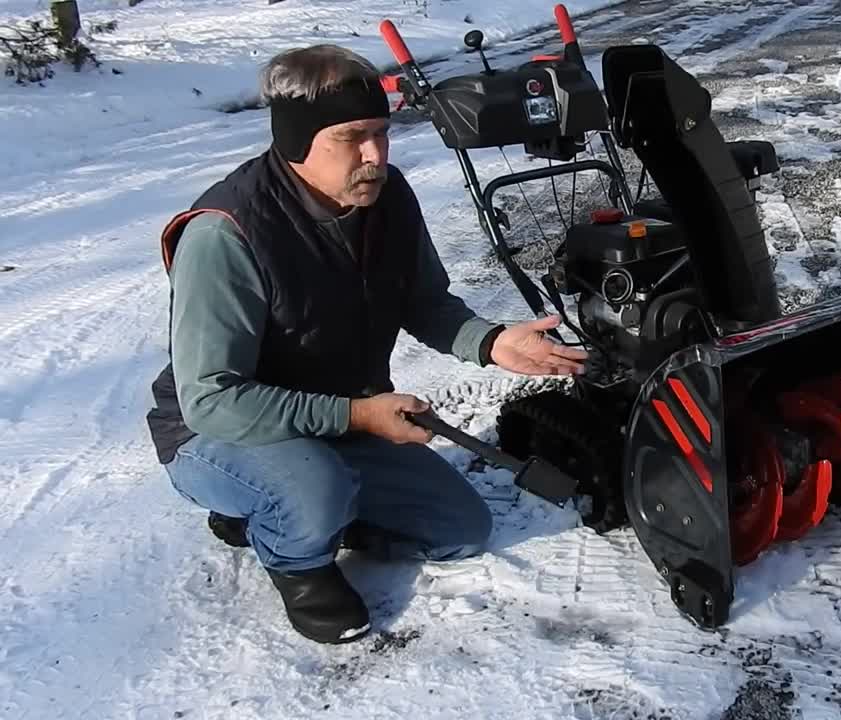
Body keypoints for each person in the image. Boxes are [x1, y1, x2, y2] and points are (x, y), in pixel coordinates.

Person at [143, 44, 587, 645]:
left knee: (460, 528)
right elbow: (211, 402)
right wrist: (358, 415)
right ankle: (296, 557)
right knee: (310, 489)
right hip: (216, 435)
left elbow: (424, 302)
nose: (374, 155)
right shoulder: (227, 233)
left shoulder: (387, 196)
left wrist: (492, 344)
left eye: (381, 133)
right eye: (351, 138)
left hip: (334, 420)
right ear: (299, 141)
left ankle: (300, 506)